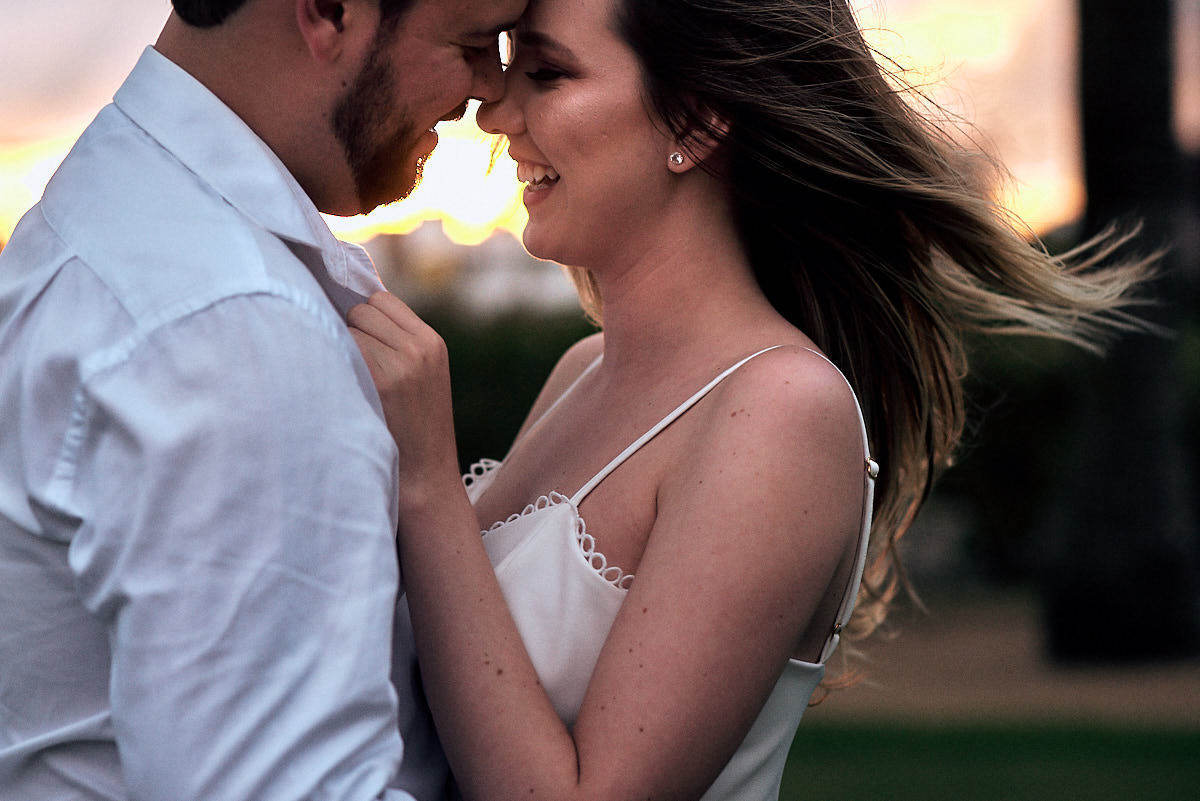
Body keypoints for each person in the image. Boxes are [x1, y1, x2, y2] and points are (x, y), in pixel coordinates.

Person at [347, 0, 1155, 799]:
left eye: (548, 73)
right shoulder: (581, 371)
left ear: (698, 120)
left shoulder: (783, 411)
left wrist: (429, 483)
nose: (493, 113)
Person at [0, 1, 525, 799]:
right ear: (329, 11)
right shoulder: (235, 329)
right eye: (473, 41)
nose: (491, 90)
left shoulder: (101, 221)